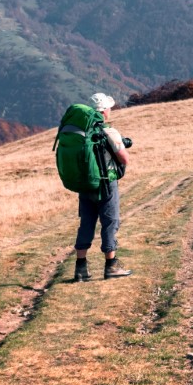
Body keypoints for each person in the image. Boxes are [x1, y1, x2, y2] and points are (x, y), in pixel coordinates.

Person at [73, 92, 132, 282]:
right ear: (104, 111)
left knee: (87, 223)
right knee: (109, 222)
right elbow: (124, 159)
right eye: (109, 108)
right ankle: (111, 266)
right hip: (106, 184)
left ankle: (80, 269)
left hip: (86, 184)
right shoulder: (108, 132)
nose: (110, 110)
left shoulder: (81, 132)